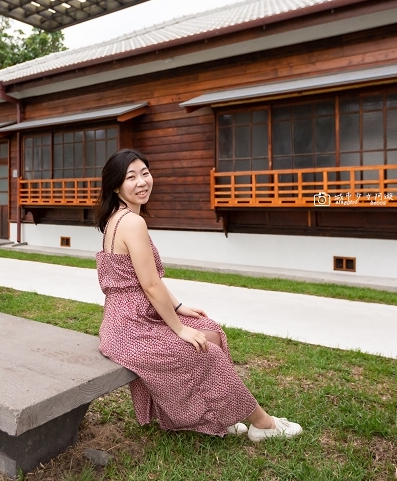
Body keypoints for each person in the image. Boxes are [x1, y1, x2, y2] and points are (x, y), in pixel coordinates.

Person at [94, 148, 303, 441]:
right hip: (130, 328)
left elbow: (145, 280)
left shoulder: (121, 217)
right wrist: (179, 329)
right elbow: (150, 286)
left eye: (145, 173)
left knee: (210, 332)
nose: (142, 182)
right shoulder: (132, 222)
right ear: (117, 186)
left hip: (131, 319)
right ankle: (261, 423)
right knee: (204, 348)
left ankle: (220, 414)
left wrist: (179, 307)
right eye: (131, 177)